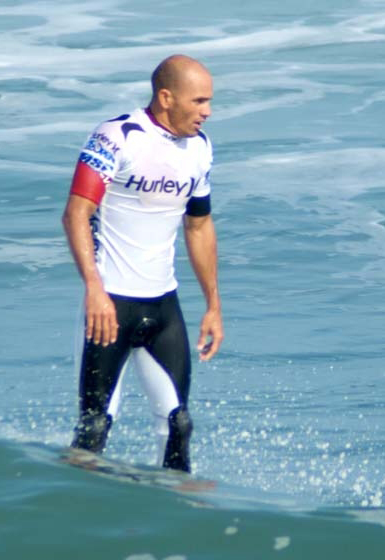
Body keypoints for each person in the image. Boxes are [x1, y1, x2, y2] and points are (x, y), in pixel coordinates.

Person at [61, 55, 223, 473]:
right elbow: (76, 213)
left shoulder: (199, 148)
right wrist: (94, 289)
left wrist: (213, 306)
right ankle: (73, 519)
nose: (207, 111)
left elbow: (200, 226)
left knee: (178, 426)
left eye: (209, 101)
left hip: (163, 309)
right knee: (94, 429)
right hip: (109, 305)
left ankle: (172, 526)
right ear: (166, 98)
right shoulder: (117, 137)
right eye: (199, 101)